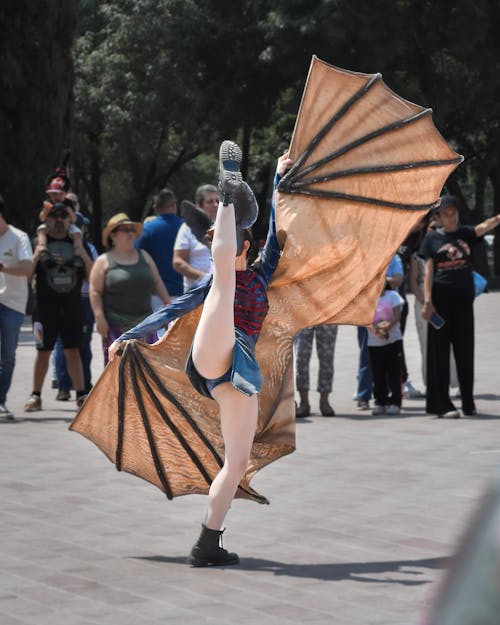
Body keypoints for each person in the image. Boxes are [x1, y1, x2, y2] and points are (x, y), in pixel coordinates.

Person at [107, 141, 286, 566]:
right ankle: (228, 190)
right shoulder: (213, 280)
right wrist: (128, 336)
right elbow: (171, 308)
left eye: (225, 239)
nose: (211, 245)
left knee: (238, 462)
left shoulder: (262, 271)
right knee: (221, 282)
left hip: (236, 375)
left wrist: (278, 177)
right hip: (212, 352)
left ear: (248, 245)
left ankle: (208, 542)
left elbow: (277, 225)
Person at [420, 195, 500, 417]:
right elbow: (428, 271)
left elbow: (483, 227)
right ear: (439, 217)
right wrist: (427, 301)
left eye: (453, 212)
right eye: (446, 214)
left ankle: (467, 401)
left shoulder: (465, 234)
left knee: (465, 352)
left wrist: (497, 218)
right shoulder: (431, 239)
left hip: (464, 303)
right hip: (440, 304)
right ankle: (442, 404)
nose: (451, 217)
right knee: (440, 354)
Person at [24, 202, 93, 412]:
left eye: (64, 215)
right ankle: (35, 396)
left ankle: (81, 395)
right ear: (47, 220)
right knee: (42, 351)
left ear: (70, 219)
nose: (59, 219)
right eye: (55, 216)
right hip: (44, 307)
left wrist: (80, 251)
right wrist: (38, 252)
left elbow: (93, 276)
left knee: (73, 351)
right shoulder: (39, 242)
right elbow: (27, 276)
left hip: (72, 306)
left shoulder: (81, 244)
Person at [89, 213, 171, 365]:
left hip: (145, 323)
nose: (130, 233)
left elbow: (157, 282)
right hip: (115, 324)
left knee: (148, 369)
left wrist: (168, 306)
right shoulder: (103, 261)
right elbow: (95, 291)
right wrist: (99, 317)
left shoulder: (144, 256)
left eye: (132, 230)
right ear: (113, 235)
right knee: (118, 369)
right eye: (125, 230)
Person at [53, 207, 98, 398]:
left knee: (83, 344)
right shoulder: (56, 247)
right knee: (63, 344)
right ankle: (64, 386)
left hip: (84, 301)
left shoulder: (88, 248)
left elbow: (94, 274)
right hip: (63, 300)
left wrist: (80, 249)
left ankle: (85, 385)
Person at [354, 254, 403, 410]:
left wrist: (379, 279)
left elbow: (398, 280)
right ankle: (365, 396)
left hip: (389, 321)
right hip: (366, 307)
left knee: (391, 362)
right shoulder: (359, 255)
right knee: (366, 356)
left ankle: (390, 399)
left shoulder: (394, 257)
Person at [0, 195, 34, 419]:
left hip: (12, 303)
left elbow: (28, 268)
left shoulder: (18, 238)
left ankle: (0, 401)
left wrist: (2, 268)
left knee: (8, 357)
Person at [135, 188, 184, 309]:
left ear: (155, 207)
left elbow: (136, 258)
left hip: (157, 296)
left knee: (160, 328)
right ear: (174, 205)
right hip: (186, 294)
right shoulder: (187, 227)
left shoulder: (146, 230)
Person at [367, 282, 405, 415]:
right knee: (378, 374)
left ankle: (395, 402)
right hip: (374, 342)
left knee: (394, 373)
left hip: (394, 340)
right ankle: (380, 402)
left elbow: (397, 315)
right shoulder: (367, 298)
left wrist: (387, 327)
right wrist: (377, 330)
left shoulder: (393, 295)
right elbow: (364, 318)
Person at [173, 184, 218, 291]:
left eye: (217, 200)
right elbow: (178, 262)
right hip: (196, 293)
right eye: (210, 201)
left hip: (221, 293)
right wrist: (205, 279)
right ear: (199, 205)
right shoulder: (187, 228)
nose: (215, 204)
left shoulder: (225, 226)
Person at [295, 324, 338, 417]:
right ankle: (304, 403)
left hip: (327, 315)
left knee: (327, 358)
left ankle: (324, 401)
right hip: (303, 315)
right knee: (301, 358)